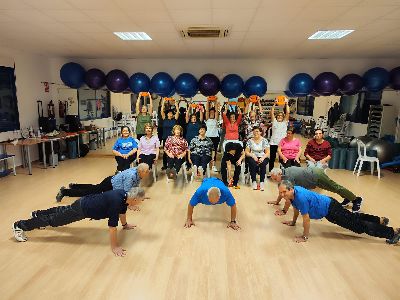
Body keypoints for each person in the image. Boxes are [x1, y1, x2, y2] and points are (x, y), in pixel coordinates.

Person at [12, 187, 147, 256]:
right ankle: (20, 225)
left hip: (84, 201)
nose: (140, 204)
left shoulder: (123, 195)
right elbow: (112, 228)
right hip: (82, 209)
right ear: (134, 199)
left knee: (62, 210)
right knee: (54, 221)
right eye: (140, 201)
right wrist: (114, 247)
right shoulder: (117, 203)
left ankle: (37, 214)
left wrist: (125, 225)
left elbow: (122, 211)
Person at [277, 180, 400, 244]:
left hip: (331, 209)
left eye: (284, 192)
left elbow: (306, 219)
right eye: (280, 192)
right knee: (353, 217)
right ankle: (380, 220)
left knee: (358, 226)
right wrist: (293, 222)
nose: (282, 195)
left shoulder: (300, 197)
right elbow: (296, 208)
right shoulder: (293, 194)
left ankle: (392, 233)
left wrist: (305, 236)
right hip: (329, 205)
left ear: (291, 189)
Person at [268, 166, 363, 212]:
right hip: (313, 173)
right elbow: (282, 192)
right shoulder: (285, 171)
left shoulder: (288, 177)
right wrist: (277, 202)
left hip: (316, 176)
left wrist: (284, 211)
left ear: (279, 174)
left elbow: (288, 197)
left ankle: (356, 200)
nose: (275, 181)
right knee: (334, 188)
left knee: (335, 188)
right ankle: (348, 197)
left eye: (275, 179)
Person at [56, 163, 150, 202]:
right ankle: (64, 192)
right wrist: (129, 205)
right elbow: (125, 192)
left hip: (111, 181)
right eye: (147, 171)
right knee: (89, 192)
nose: (148, 173)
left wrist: (140, 195)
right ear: (141, 171)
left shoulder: (138, 172)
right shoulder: (131, 176)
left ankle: (74, 186)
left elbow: (136, 186)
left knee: (94, 188)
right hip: (110, 184)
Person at [245, 126, 270, 191]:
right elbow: (247, 152)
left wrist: (262, 158)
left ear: (260, 132)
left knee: (263, 164)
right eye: (254, 131)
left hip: (262, 156)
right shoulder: (250, 141)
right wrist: (252, 155)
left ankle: (262, 182)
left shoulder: (264, 140)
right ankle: (254, 181)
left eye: (257, 131)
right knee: (252, 163)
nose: (255, 133)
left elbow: (267, 152)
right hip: (253, 156)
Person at [269, 100, 289, 172]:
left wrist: (286, 104)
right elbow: (271, 112)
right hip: (273, 143)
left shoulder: (285, 122)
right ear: (276, 117)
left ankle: (282, 172)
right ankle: (271, 172)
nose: (280, 116)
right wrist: (274, 103)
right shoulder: (274, 122)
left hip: (282, 144)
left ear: (283, 117)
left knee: (282, 159)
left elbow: (288, 113)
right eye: (278, 115)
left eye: (281, 116)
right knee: (272, 158)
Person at [160, 98, 180, 170]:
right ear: (167, 114)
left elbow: (177, 111)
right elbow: (162, 111)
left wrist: (175, 103)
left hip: (173, 139)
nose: (170, 114)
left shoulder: (175, 119)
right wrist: (163, 102)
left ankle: (173, 164)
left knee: (173, 151)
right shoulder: (164, 119)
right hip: (165, 137)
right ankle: (165, 165)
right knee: (165, 152)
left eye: (171, 113)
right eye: (169, 113)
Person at [205, 101, 221, 172]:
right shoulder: (207, 120)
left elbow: (217, 112)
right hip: (208, 137)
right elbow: (207, 110)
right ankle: (206, 164)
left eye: (213, 112)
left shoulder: (216, 120)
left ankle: (213, 165)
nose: (212, 113)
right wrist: (208, 101)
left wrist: (215, 103)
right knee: (207, 151)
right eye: (211, 112)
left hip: (215, 137)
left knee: (214, 152)